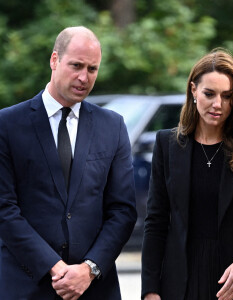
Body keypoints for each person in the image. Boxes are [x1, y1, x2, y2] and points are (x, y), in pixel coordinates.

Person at [0, 26, 137, 300]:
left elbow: (122, 210)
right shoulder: (7, 124)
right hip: (25, 286)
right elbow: (4, 209)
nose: (84, 77)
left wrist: (89, 269)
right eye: (76, 65)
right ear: (54, 60)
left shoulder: (113, 126)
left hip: (95, 288)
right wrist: (54, 268)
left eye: (92, 69)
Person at [141, 49, 233, 300]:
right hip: (178, 284)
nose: (218, 105)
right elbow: (156, 223)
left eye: (227, 96)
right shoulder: (167, 145)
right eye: (209, 94)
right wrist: (150, 290)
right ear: (193, 90)